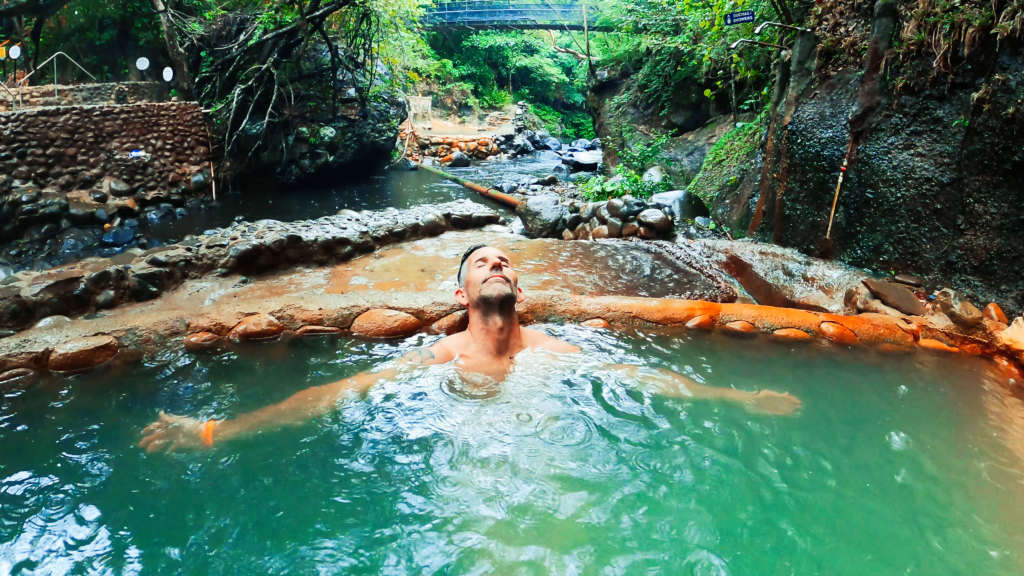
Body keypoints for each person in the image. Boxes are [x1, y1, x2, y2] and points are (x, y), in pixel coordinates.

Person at [140, 245, 801, 453]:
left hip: (554, 463)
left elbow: (646, 381)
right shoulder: (437, 358)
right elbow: (327, 398)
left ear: (519, 287)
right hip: (473, 475)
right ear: (460, 295)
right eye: (482, 263)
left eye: (506, 263)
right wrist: (212, 431)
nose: (497, 266)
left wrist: (736, 397)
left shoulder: (554, 349)